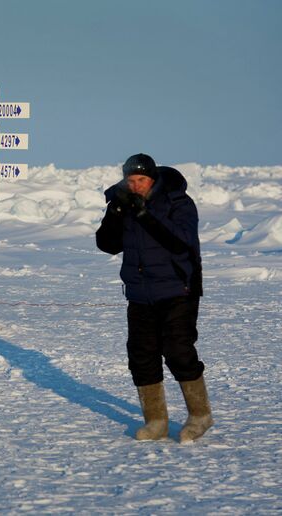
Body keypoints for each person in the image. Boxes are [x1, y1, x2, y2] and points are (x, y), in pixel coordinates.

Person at [96, 153, 213, 443]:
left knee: (178, 350)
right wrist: (116, 213)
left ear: (153, 179)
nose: (135, 186)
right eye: (130, 181)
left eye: (141, 180)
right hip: (139, 292)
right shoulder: (126, 204)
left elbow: (180, 242)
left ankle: (200, 416)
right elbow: (107, 244)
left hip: (178, 290)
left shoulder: (178, 202)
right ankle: (156, 421)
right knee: (141, 355)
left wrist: (145, 215)